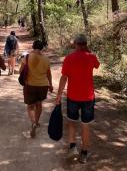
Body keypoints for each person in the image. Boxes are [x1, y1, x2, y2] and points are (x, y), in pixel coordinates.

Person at [55, 34, 100, 164]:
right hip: (88, 97)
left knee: (72, 123)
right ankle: (84, 153)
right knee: (86, 125)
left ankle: (72, 148)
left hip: (73, 97)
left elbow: (64, 78)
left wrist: (59, 95)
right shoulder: (91, 57)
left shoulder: (69, 58)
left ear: (75, 44)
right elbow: (97, 66)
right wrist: (89, 52)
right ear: (85, 44)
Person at [20, 40, 53, 138]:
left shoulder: (28, 57)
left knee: (30, 106)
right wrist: (50, 85)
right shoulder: (46, 59)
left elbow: (21, 70)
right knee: (39, 104)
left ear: (33, 47)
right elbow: (48, 74)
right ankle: (37, 122)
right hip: (43, 86)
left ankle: (33, 122)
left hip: (30, 85)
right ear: (42, 48)